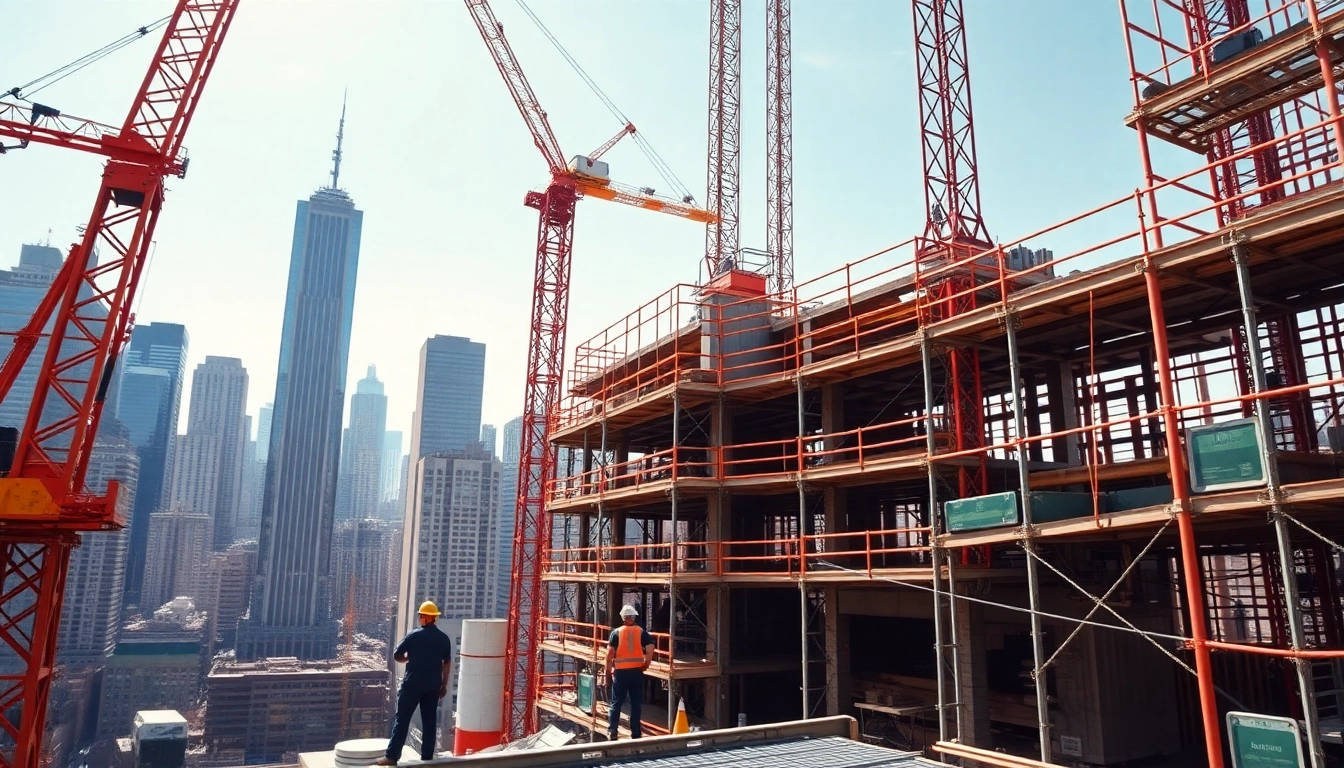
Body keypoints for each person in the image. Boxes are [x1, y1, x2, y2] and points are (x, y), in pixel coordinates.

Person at [377, 601, 454, 766]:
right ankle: (427, 758)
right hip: (433, 685)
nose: (419, 618)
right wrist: (444, 685)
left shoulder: (414, 635)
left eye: (420, 616)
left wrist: (408, 658)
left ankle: (391, 757)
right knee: (429, 721)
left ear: (425, 617)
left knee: (402, 719)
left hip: (413, 684)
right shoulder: (443, 638)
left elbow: (397, 655)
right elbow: (447, 663)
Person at [605, 604, 654, 740]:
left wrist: (608, 671)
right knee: (636, 703)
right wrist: (646, 665)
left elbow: (609, 654)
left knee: (616, 703)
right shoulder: (641, 632)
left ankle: (612, 731)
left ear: (623, 618)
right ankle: (636, 732)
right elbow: (650, 648)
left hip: (621, 674)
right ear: (634, 617)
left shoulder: (616, 633)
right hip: (637, 673)